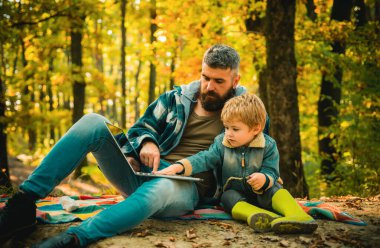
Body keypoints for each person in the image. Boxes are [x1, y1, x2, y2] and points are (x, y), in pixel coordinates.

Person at [0, 44, 248, 247]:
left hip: (183, 187)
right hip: (143, 172)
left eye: (219, 81)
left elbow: (253, 155)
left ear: (235, 80)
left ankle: (74, 238)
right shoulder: (175, 99)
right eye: (205, 78)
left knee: (161, 187)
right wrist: (147, 143)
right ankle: (23, 203)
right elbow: (140, 129)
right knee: (93, 122)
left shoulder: (246, 112)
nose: (209, 87)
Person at [157, 93, 318, 234]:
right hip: (236, 194)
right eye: (226, 127)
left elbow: (272, 170)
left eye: (235, 129)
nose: (228, 133)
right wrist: (180, 166)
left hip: (262, 193)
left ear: (255, 129)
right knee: (227, 197)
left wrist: (264, 178)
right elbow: (205, 158)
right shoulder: (222, 143)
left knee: (274, 187)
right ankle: (259, 217)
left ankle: (298, 216)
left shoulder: (268, 145)